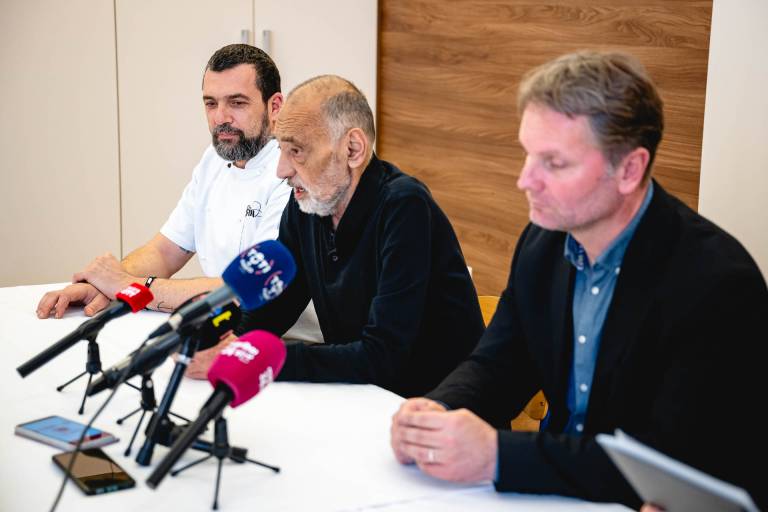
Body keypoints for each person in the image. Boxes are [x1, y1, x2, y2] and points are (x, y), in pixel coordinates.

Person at [389, 50, 768, 510]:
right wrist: (438, 411)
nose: (525, 180)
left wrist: (497, 455)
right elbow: (499, 364)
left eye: (553, 162)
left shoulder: (716, 283)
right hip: (552, 490)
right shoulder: (543, 242)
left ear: (629, 169)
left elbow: (667, 462)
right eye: (528, 154)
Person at [187, 75, 485, 397]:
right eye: (281, 149)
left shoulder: (404, 206)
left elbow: (382, 356)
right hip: (363, 396)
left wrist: (257, 359)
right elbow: (274, 309)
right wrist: (222, 342)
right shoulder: (309, 204)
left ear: (353, 149)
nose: (281, 170)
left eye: (297, 151)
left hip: (439, 408)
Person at [35, 44, 320, 343]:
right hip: (221, 332)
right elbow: (165, 251)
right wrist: (100, 285)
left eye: (236, 103)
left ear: (275, 107)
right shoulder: (213, 160)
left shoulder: (292, 173)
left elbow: (245, 290)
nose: (220, 117)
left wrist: (126, 285)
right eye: (211, 103)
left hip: (287, 346)